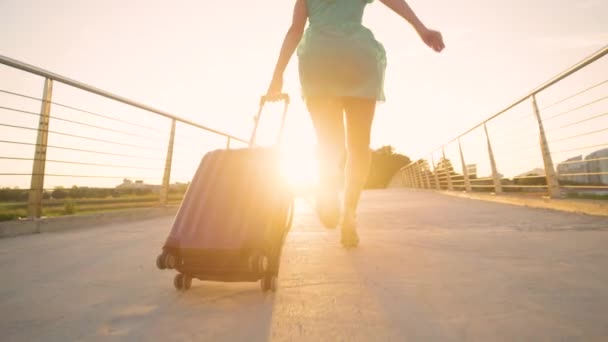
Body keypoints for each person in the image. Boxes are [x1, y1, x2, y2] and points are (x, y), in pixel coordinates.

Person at [265, 0, 445, 248]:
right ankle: (349, 212)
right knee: (359, 146)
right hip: (357, 56)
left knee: (330, 143)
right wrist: (421, 29)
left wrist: (277, 77)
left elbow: (295, 30)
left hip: (320, 58)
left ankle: (328, 192)